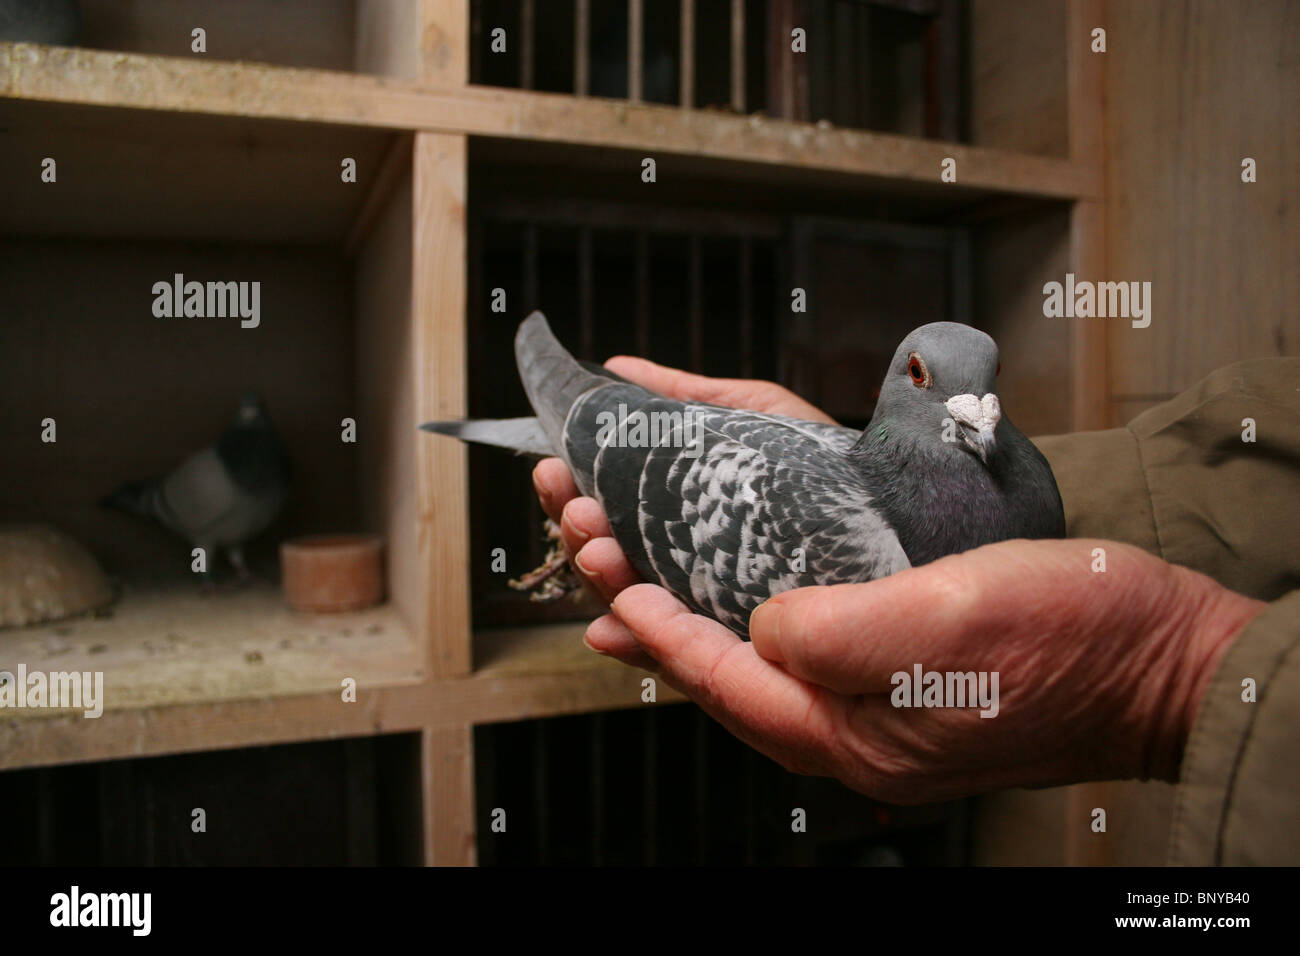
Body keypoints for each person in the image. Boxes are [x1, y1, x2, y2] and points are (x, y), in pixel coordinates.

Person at [531, 354, 1300, 866]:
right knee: (600, 543)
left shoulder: (956, 480)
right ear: (903, 384)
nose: (972, 403)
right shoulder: (850, 546)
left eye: (980, 382)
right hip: (650, 457)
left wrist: (1166, 676)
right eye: (931, 377)